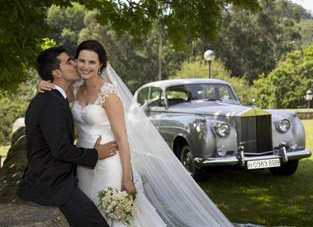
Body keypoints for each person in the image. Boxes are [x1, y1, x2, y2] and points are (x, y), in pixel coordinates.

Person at [39, 40, 234, 227]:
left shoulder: (108, 94)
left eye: (92, 62)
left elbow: (123, 137)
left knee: (113, 216)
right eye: (81, 60)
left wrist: (126, 178)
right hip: (84, 164)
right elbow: (57, 95)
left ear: (100, 65)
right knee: (87, 216)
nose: (85, 66)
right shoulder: (75, 89)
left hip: (108, 164)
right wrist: (40, 85)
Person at [17, 46, 118, 227]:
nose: (75, 64)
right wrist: (95, 154)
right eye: (69, 61)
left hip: (56, 179)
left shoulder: (53, 97)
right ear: (56, 72)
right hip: (52, 185)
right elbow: (61, 149)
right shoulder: (51, 103)